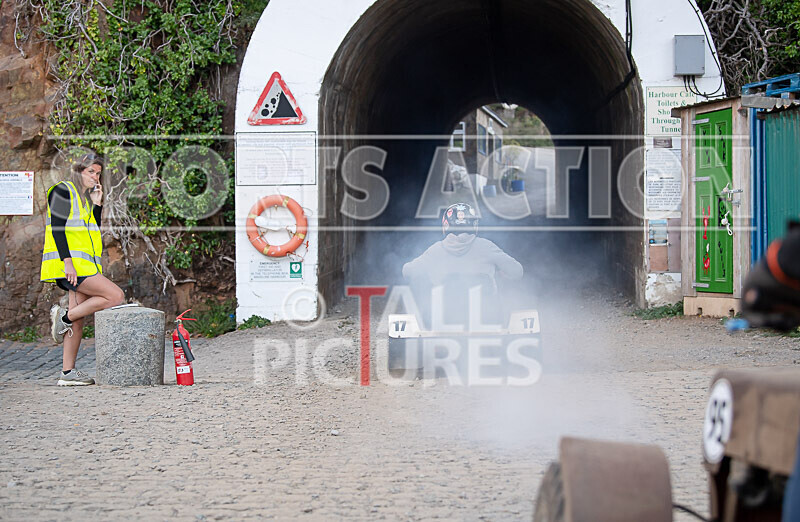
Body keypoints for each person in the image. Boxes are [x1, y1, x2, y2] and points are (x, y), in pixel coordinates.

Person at [41, 153, 125, 386]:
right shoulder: (62, 191)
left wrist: (97, 204)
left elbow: (93, 229)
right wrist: (67, 262)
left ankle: (68, 373)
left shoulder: (84, 198)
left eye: (98, 173)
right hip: (70, 266)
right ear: (78, 171)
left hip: (84, 266)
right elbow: (57, 228)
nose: (96, 177)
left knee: (77, 319)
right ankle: (63, 317)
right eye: (91, 172)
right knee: (115, 296)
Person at [402, 202, 523, 290]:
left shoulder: (435, 250)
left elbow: (407, 272)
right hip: (487, 318)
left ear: (445, 225)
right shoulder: (486, 246)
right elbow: (517, 271)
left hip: (443, 318)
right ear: (474, 224)